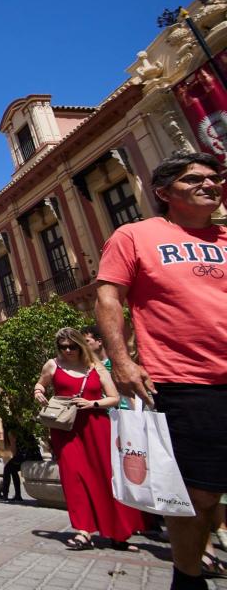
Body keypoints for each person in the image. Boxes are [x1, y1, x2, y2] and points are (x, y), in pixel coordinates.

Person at [95, 151, 227, 590]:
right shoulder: (135, 235)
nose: (209, 184)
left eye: (214, 178)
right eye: (194, 180)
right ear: (164, 192)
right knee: (200, 492)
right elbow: (109, 298)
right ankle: (188, 578)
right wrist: (125, 361)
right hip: (185, 377)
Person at [33, 327, 142, 550]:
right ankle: (83, 531)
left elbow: (113, 398)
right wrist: (38, 392)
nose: (67, 350)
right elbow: (40, 384)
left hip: (96, 428)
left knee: (105, 478)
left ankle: (118, 534)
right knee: (74, 478)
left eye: (72, 346)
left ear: (81, 345)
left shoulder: (96, 368)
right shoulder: (53, 365)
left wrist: (92, 403)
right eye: (62, 347)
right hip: (66, 430)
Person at [0, 426, 39, 502]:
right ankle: (17, 495)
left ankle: (5, 494)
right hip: (33, 455)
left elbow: (14, 451)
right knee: (12, 469)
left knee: (7, 468)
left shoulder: (11, 432)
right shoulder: (24, 430)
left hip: (24, 456)